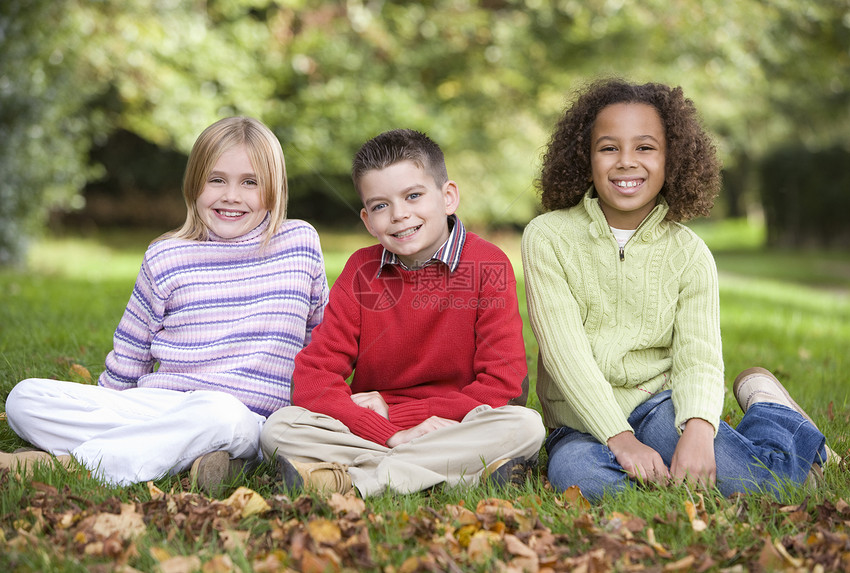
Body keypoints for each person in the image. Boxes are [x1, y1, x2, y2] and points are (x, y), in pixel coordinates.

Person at [521, 79, 836, 502]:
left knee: (759, 483)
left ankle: (772, 412)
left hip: (658, 407)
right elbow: (565, 355)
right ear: (585, 158)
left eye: (645, 148)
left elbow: (699, 356)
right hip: (578, 423)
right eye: (609, 148)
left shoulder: (690, 253)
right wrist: (620, 439)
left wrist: (699, 431)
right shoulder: (547, 237)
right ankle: (673, 477)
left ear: (673, 158)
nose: (626, 162)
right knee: (584, 479)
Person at [2, 116, 328, 491]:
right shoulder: (166, 256)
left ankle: (69, 466)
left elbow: (322, 339)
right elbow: (130, 356)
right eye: (216, 179)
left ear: (274, 190)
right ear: (194, 185)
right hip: (160, 404)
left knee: (219, 416)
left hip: (246, 418)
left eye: (250, 182)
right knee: (25, 399)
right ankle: (192, 457)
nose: (231, 196)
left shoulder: (299, 243)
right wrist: (105, 405)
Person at [261, 128, 544, 497]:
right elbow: (314, 377)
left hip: (456, 421)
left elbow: (501, 382)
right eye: (380, 205)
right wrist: (391, 432)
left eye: (413, 195)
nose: (399, 215)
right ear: (367, 220)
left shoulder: (487, 264)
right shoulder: (361, 270)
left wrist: (403, 421)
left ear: (448, 197)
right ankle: (463, 474)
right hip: (379, 424)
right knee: (279, 428)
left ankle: (357, 481)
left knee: (525, 426)